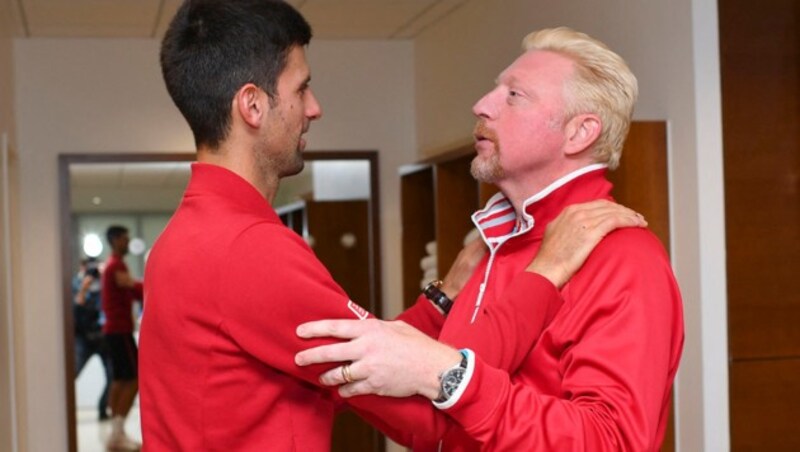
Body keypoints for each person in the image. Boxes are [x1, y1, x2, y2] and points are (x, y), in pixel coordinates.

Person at [139, 2, 646, 450]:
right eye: (302, 88)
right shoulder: (250, 251)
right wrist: (545, 273)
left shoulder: (186, 238)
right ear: (252, 105)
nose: (314, 108)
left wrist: (442, 297)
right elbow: (429, 416)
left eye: (514, 95)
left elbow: (369, 362)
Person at [295, 27, 685, 451]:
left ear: (579, 133)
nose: (481, 105)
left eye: (514, 95)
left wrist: (452, 376)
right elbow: (430, 422)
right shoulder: (490, 248)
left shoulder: (622, 257)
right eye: (494, 90)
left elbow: (611, 442)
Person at [101, 225, 144, 451]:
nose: (128, 243)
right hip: (120, 330)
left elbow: (134, 290)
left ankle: (116, 433)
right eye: (125, 239)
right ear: (116, 240)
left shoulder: (111, 265)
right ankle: (117, 433)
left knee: (119, 381)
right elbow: (134, 287)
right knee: (135, 378)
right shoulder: (116, 265)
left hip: (114, 330)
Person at [72, 256, 112, 421]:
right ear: (82, 268)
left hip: (102, 336)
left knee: (112, 375)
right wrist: (84, 288)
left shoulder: (103, 284)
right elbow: (75, 307)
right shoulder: (75, 283)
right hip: (83, 338)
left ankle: (103, 410)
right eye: (90, 268)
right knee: (72, 373)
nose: (93, 272)